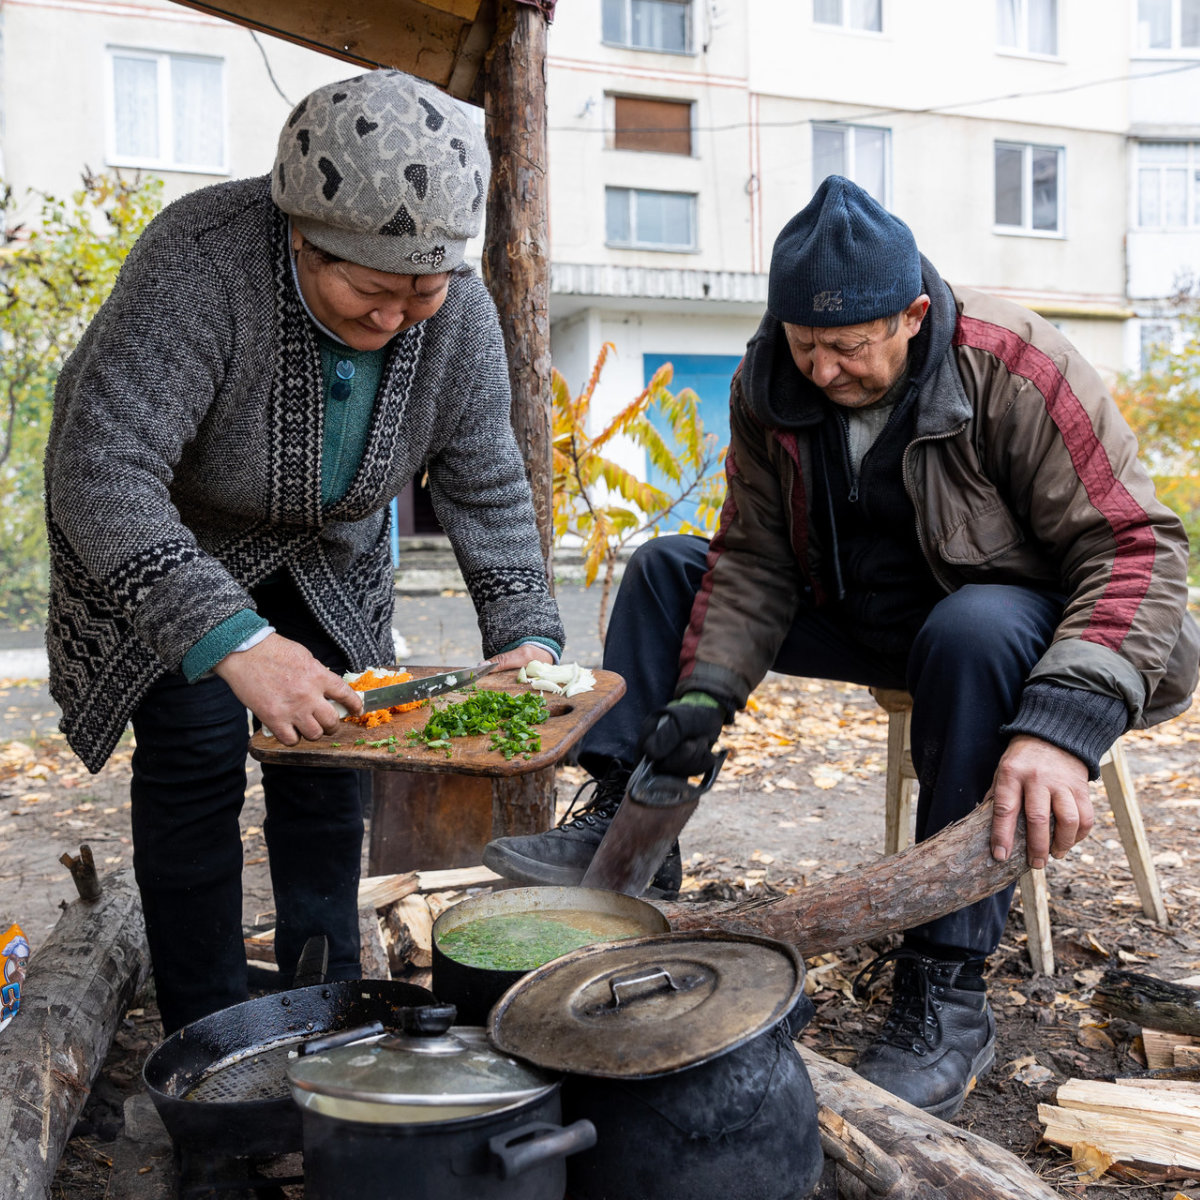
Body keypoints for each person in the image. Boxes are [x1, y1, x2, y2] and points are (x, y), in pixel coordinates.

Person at [484, 176, 1200, 1119]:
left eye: (847, 347)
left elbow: (1134, 547)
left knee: (973, 626)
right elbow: (754, 560)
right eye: (803, 343)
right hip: (868, 614)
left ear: (909, 316)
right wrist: (702, 698)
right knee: (668, 567)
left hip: (1022, 629)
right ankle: (631, 830)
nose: (820, 371)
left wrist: (1067, 723)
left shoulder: (1014, 363)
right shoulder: (769, 379)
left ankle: (945, 990)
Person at [44, 70, 563, 1035]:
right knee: (197, 761)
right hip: (171, 538)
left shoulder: (461, 312)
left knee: (332, 765)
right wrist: (236, 640)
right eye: (368, 289)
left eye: (421, 295)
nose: (392, 320)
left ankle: (325, 1011)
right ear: (298, 234)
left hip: (329, 554)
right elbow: (100, 472)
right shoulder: (200, 263)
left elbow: (484, 480)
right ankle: (209, 1035)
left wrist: (526, 637)